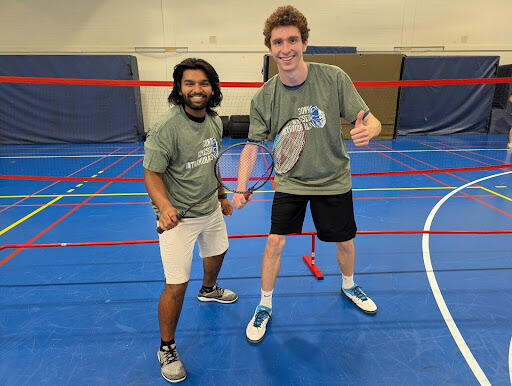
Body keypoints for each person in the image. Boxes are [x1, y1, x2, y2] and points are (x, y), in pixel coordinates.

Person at [232, 5, 382, 344]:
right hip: (290, 181)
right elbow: (252, 146)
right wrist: (240, 187)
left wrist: (368, 131)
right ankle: (265, 304)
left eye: (292, 40)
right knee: (274, 242)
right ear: (270, 48)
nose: (286, 48)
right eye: (278, 42)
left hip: (333, 178)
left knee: (345, 240)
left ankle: (349, 285)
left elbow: (371, 119)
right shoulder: (265, 96)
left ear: (305, 43)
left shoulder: (333, 78)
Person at [143, 58, 238, 383]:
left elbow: (213, 164)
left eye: (203, 83)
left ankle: (209, 289)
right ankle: (166, 346)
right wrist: (166, 207)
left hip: (209, 208)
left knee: (218, 252)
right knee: (176, 285)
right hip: (178, 219)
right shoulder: (166, 127)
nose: (197, 89)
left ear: (212, 88)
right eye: (189, 83)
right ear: (179, 88)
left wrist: (222, 196)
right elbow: (152, 174)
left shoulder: (213, 121)